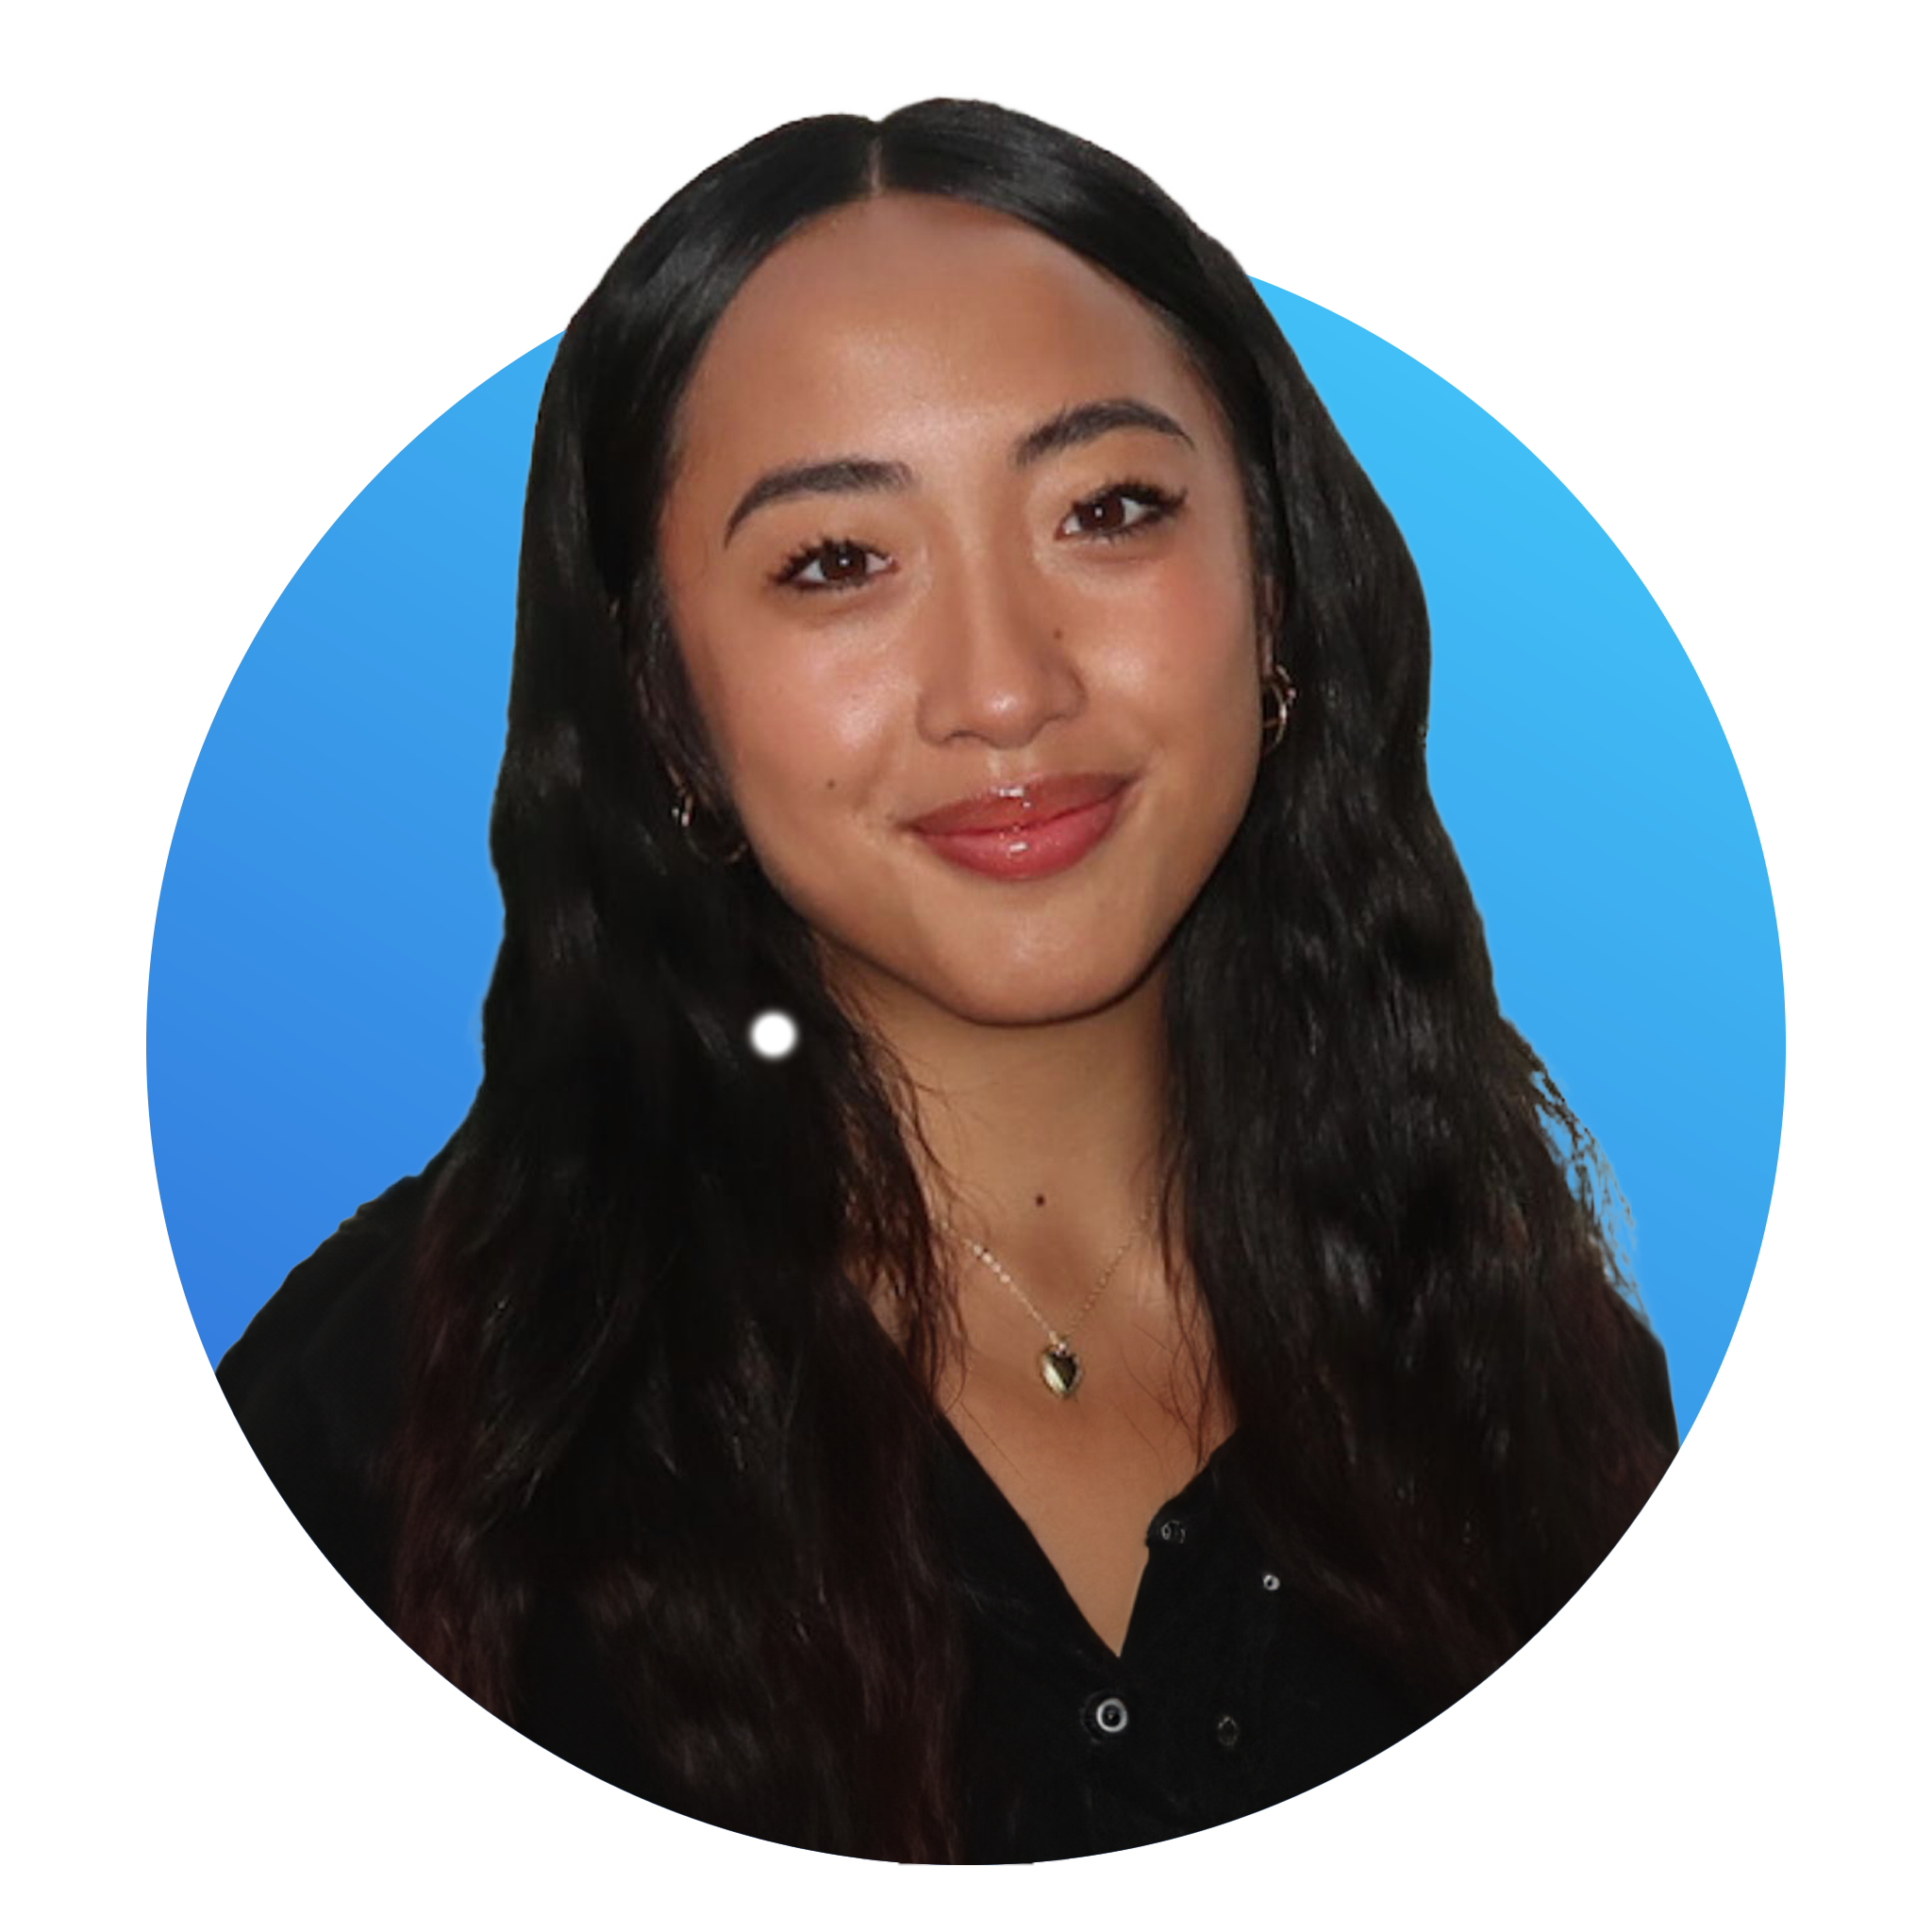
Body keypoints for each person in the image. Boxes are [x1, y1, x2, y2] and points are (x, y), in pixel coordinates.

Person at [215, 96, 1679, 1868]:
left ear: (1278, 587)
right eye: (837, 562)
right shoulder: (382, 1436)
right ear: (663, 704)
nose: (1003, 689)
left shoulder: (1544, 1387)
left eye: (1108, 510)